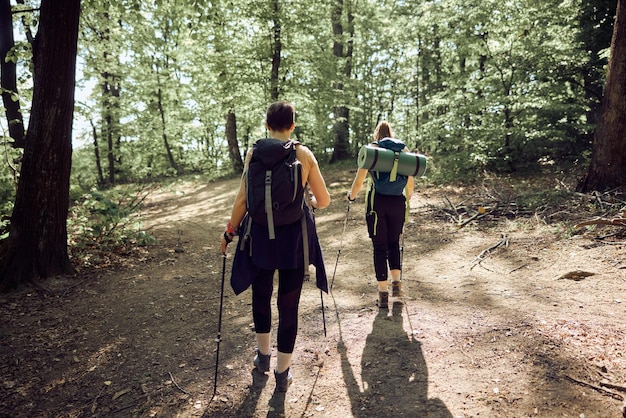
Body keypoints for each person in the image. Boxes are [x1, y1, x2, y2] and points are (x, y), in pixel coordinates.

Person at [220, 101, 331, 393]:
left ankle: (263, 357)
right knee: (288, 305)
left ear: (267, 125)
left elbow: (242, 200)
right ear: (292, 125)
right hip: (294, 240)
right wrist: (311, 204)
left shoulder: (253, 153)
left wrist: (230, 232)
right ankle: (283, 373)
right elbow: (325, 199)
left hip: (259, 237)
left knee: (261, 296)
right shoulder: (303, 154)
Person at [347, 120, 414, 309]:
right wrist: (406, 196)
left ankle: (383, 294)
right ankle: (397, 286)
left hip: (377, 203)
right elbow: (410, 184)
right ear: (391, 134)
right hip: (398, 203)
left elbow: (359, 181)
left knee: (379, 247)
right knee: (394, 244)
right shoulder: (403, 151)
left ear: (377, 135)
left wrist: (351, 197)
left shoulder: (373, 151)